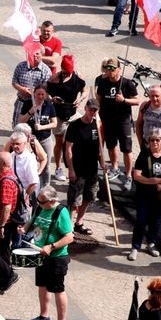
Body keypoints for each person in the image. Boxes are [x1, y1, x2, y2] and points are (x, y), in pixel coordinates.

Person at [25, 186, 75, 320]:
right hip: (41, 254)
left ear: (52, 201)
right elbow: (33, 221)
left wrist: (51, 246)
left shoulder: (61, 212)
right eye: (38, 201)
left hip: (57, 257)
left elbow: (69, 237)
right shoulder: (40, 207)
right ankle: (44, 316)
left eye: (41, 202)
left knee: (58, 289)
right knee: (42, 286)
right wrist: (24, 228)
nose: (38, 204)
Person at [130, 129, 161, 261]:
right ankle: (135, 246)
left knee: (155, 221)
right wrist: (150, 181)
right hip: (144, 194)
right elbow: (137, 175)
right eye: (152, 140)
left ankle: (151, 243)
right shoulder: (144, 154)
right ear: (148, 142)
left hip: (160, 195)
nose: (155, 143)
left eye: (158, 140)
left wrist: (160, 181)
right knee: (141, 220)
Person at [96, 57, 142, 190]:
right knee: (111, 145)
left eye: (112, 69)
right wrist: (96, 112)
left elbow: (137, 100)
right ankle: (115, 167)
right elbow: (98, 99)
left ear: (118, 69)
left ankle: (128, 175)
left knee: (126, 149)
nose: (109, 71)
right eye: (108, 68)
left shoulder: (127, 84)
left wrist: (124, 100)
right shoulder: (103, 82)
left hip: (123, 120)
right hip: (107, 119)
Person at [64, 100, 105, 235]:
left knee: (89, 196)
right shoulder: (75, 126)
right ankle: (68, 227)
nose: (92, 113)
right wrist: (70, 169)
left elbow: (100, 148)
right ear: (85, 108)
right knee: (74, 200)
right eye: (90, 109)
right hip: (78, 168)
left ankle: (79, 222)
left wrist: (103, 163)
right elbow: (68, 149)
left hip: (92, 169)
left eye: (95, 110)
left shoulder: (98, 126)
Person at [0, 153, 24, 292]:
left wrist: (0, 226)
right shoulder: (8, 175)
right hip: (5, 222)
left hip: (3, 222)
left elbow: (6, 206)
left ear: (2, 163)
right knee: (3, 249)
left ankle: (9, 274)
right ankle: (3, 279)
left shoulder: (7, 181)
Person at [48, 54, 86, 182]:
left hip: (73, 113)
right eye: (64, 72)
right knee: (60, 141)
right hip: (59, 114)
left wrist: (80, 99)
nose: (66, 75)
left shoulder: (77, 77)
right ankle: (58, 167)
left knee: (78, 138)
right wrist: (52, 99)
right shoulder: (54, 78)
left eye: (68, 73)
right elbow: (46, 93)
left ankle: (75, 164)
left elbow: (85, 91)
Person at [20, 85, 57, 187]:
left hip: (45, 139)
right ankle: (31, 184)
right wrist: (30, 112)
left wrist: (42, 127)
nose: (40, 97)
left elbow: (54, 123)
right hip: (30, 140)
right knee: (30, 163)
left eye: (42, 94)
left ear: (45, 95)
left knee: (46, 165)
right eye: (38, 94)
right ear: (34, 95)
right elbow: (20, 121)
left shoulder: (49, 105)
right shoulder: (28, 103)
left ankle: (46, 186)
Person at [11, 45, 52, 126]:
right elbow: (14, 82)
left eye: (37, 54)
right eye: (32, 53)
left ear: (42, 55)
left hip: (36, 105)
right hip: (21, 102)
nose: (34, 56)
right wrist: (21, 89)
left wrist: (34, 93)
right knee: (17, 127)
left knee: (33, 130)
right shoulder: (21, 66)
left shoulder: (46, 71)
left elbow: (45, 91)